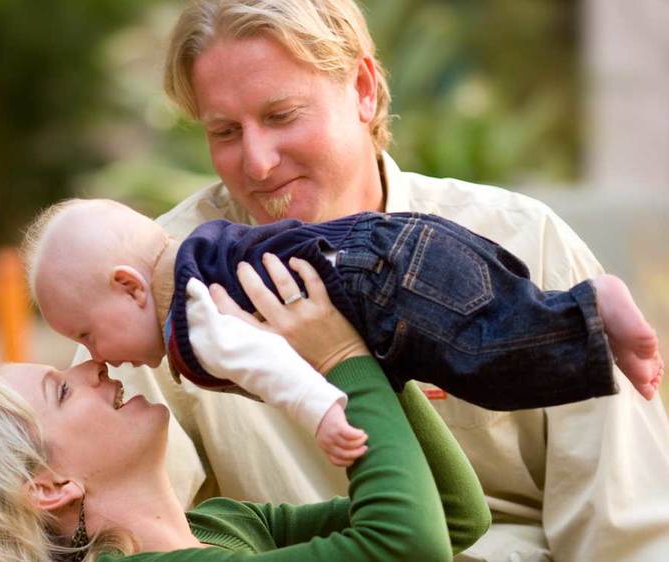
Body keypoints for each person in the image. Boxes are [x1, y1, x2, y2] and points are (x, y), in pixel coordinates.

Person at [67, 0, 669, 560]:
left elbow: (626, 523)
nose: (257, 162)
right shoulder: (161, 288)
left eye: (282, 115)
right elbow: (110, 513)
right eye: (225, 131)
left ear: (363, 88)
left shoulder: (518, 238)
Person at [0, 262, 491, 561]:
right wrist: (341, 356)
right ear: (50, 485)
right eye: (62, 390)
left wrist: (371, 367)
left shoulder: (224, 525)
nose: (94, 368)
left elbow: (454, 515)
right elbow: (410, 547)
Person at [25, 197, 661, 416]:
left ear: (132, 287)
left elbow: (277, 367)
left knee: (488, 359)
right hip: (394, 240)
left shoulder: (194, 319)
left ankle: (588, 308)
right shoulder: (205, 242)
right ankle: (567, 310)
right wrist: (405, 361)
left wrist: (331, 407)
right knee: (477, 344)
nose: (95, 356)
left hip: (379, 281)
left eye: (86, 332)